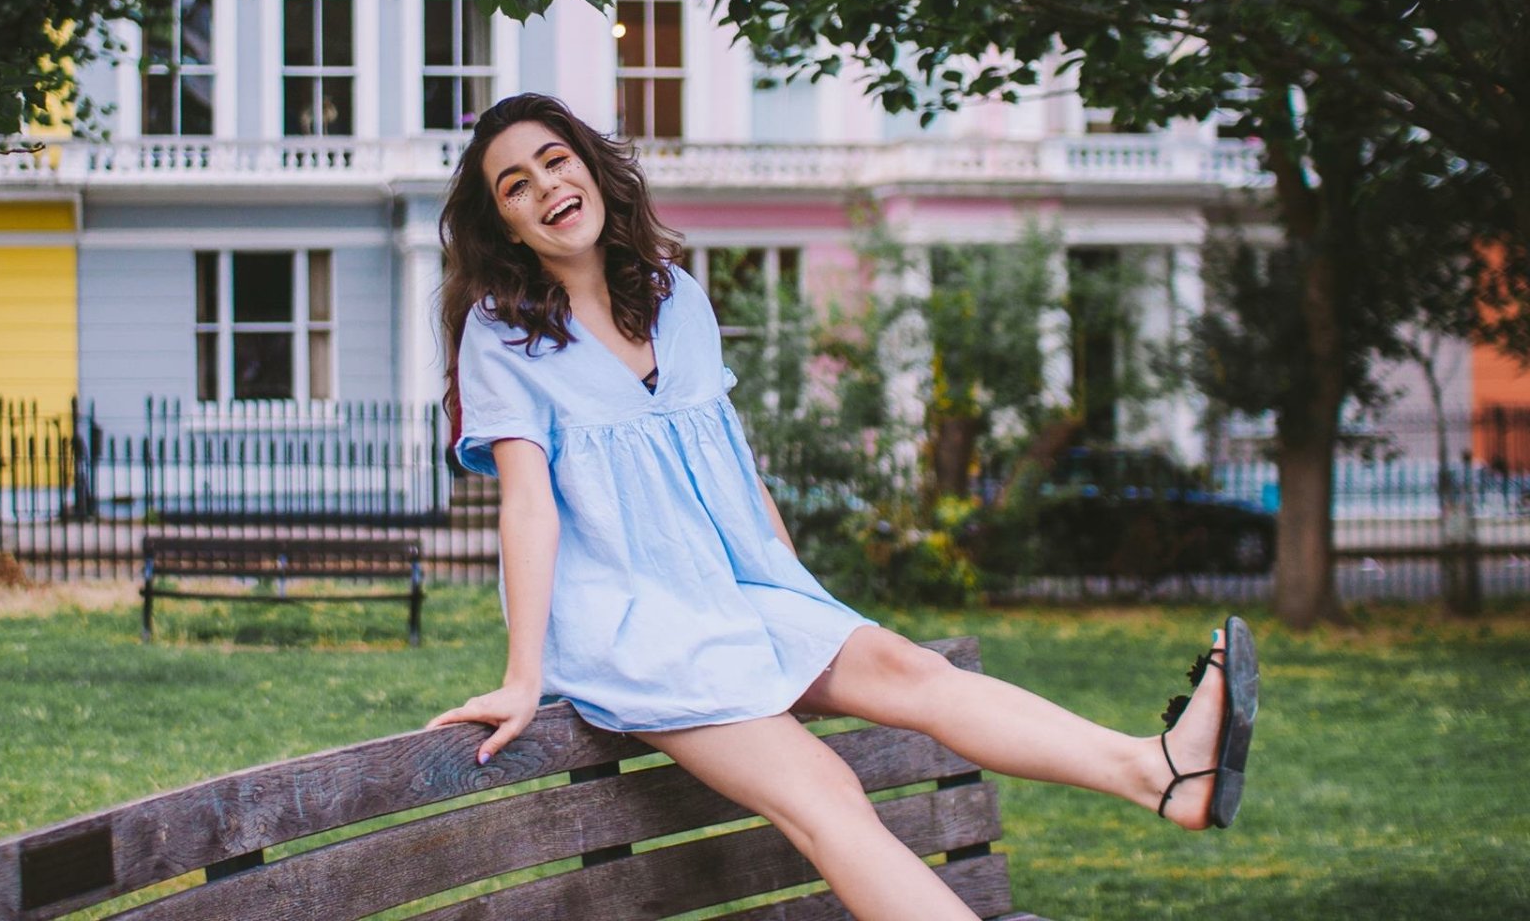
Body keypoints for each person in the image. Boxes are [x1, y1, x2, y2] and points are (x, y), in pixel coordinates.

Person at [423, 94, 1258, 920]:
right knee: (825, 792)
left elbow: (731, 467)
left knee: (914, 669)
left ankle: (1160, 772)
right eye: (515, 186)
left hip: (739, 593)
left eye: (555, 161)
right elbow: (528, 506)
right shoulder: (504, 338)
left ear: (593, 168)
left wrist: (799, 601)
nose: (545, 188)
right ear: (506, 228)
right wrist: (524, 677)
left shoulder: (674, 297)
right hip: (633, 628)